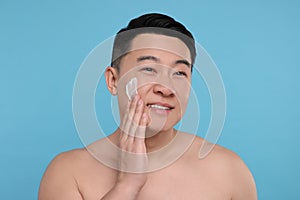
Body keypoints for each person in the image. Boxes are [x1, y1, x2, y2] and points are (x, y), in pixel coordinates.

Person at [38, 13, 257, 200]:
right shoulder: (68, 172)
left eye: (180, 73)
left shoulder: (229, 170)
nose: (166, 88)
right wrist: (126, 186)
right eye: (149, 69)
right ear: (113, 81)